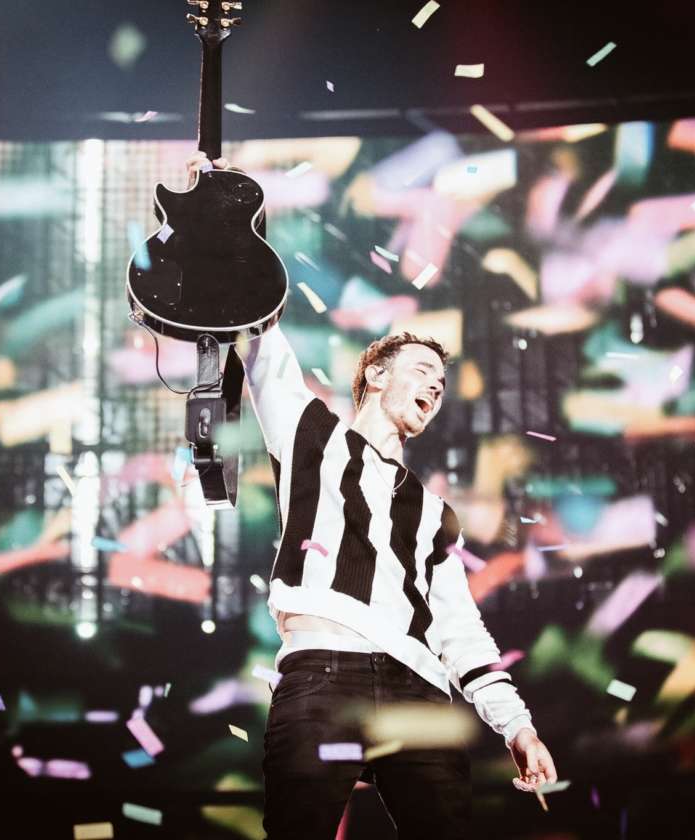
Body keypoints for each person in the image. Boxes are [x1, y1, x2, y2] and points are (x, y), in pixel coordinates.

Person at [186, 154, 558, 838]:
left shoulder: (433, 512)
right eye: (421, 370)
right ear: (376, 375)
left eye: (440, 383)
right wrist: (223, 208)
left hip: (419, 688)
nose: (434, 386)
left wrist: (518, 727)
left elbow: (459, 628)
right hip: (325, 671)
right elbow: (261, 336)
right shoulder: (312, 435)